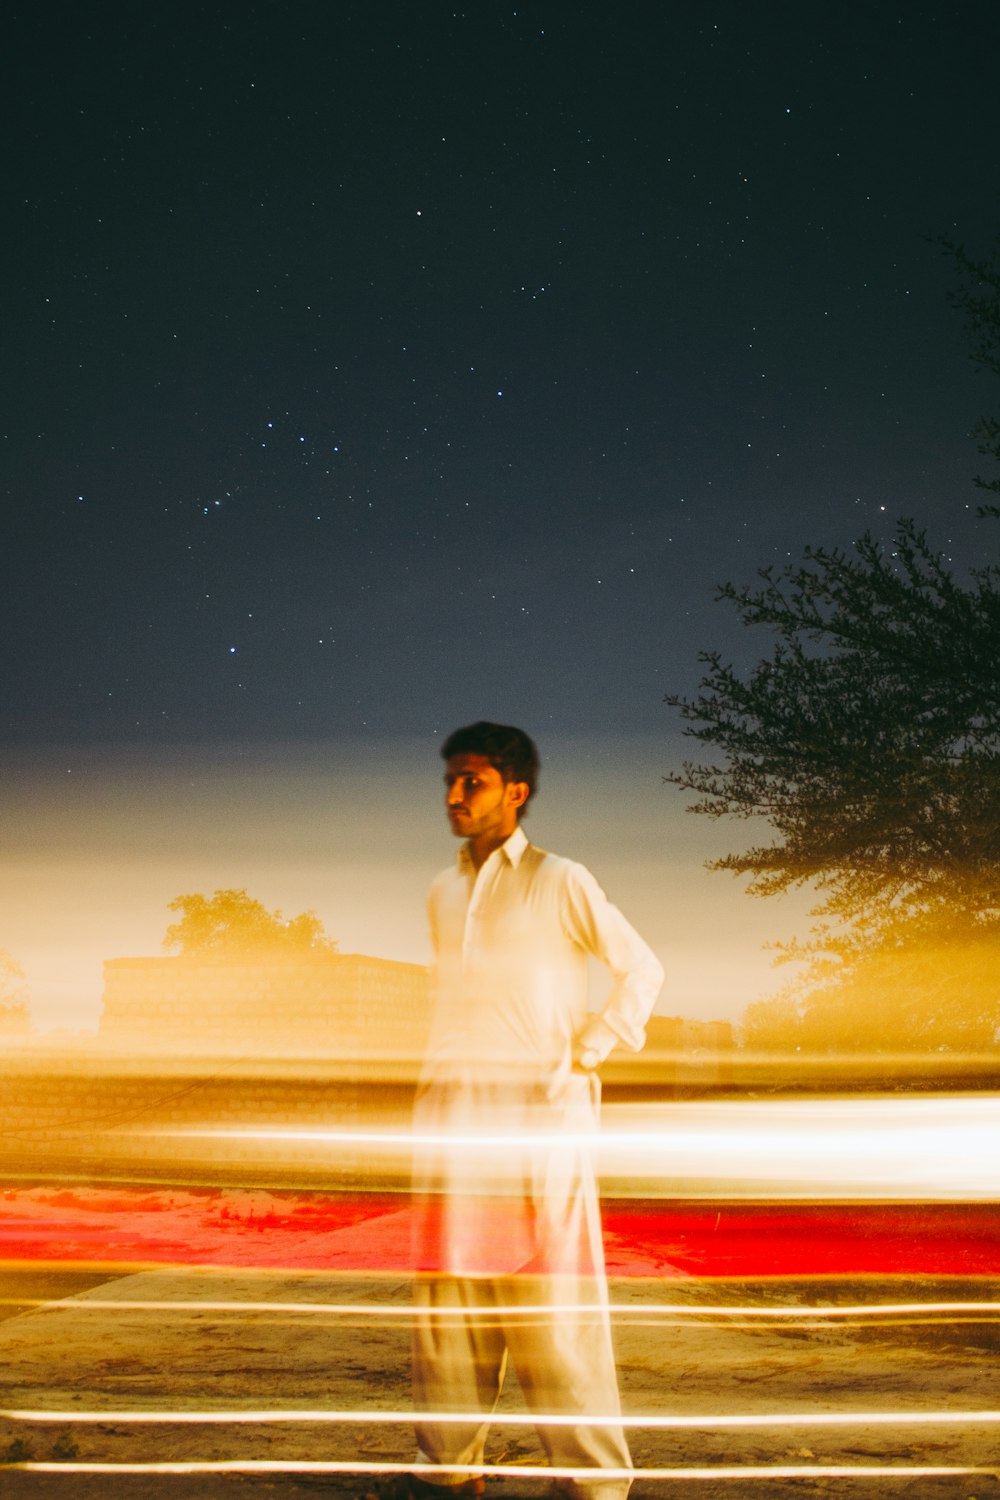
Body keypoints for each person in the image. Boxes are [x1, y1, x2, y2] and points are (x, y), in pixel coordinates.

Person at [408, 721, 664, 1500]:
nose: (455, 795)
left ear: (516, 791)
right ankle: (449, 1473)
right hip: (452, 1121)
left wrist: (585, 1053)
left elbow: (641, 970)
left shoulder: (562, 880)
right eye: (450, 780)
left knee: (554, 1300)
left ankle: (592, 1485)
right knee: (447, 1303)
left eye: (473, 781)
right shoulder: (443, 892)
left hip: (542, 1123)